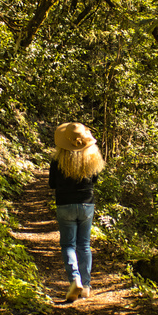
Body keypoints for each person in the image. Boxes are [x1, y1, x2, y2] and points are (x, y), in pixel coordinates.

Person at [49, 122, 105, 302]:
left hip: (65, 204)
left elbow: (51, 184)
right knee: (84, 245)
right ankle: (86, 286)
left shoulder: (57, 160)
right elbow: (94, 179)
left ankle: (75, 279)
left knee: (68, 245)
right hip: (86, 205)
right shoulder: (91, 157)